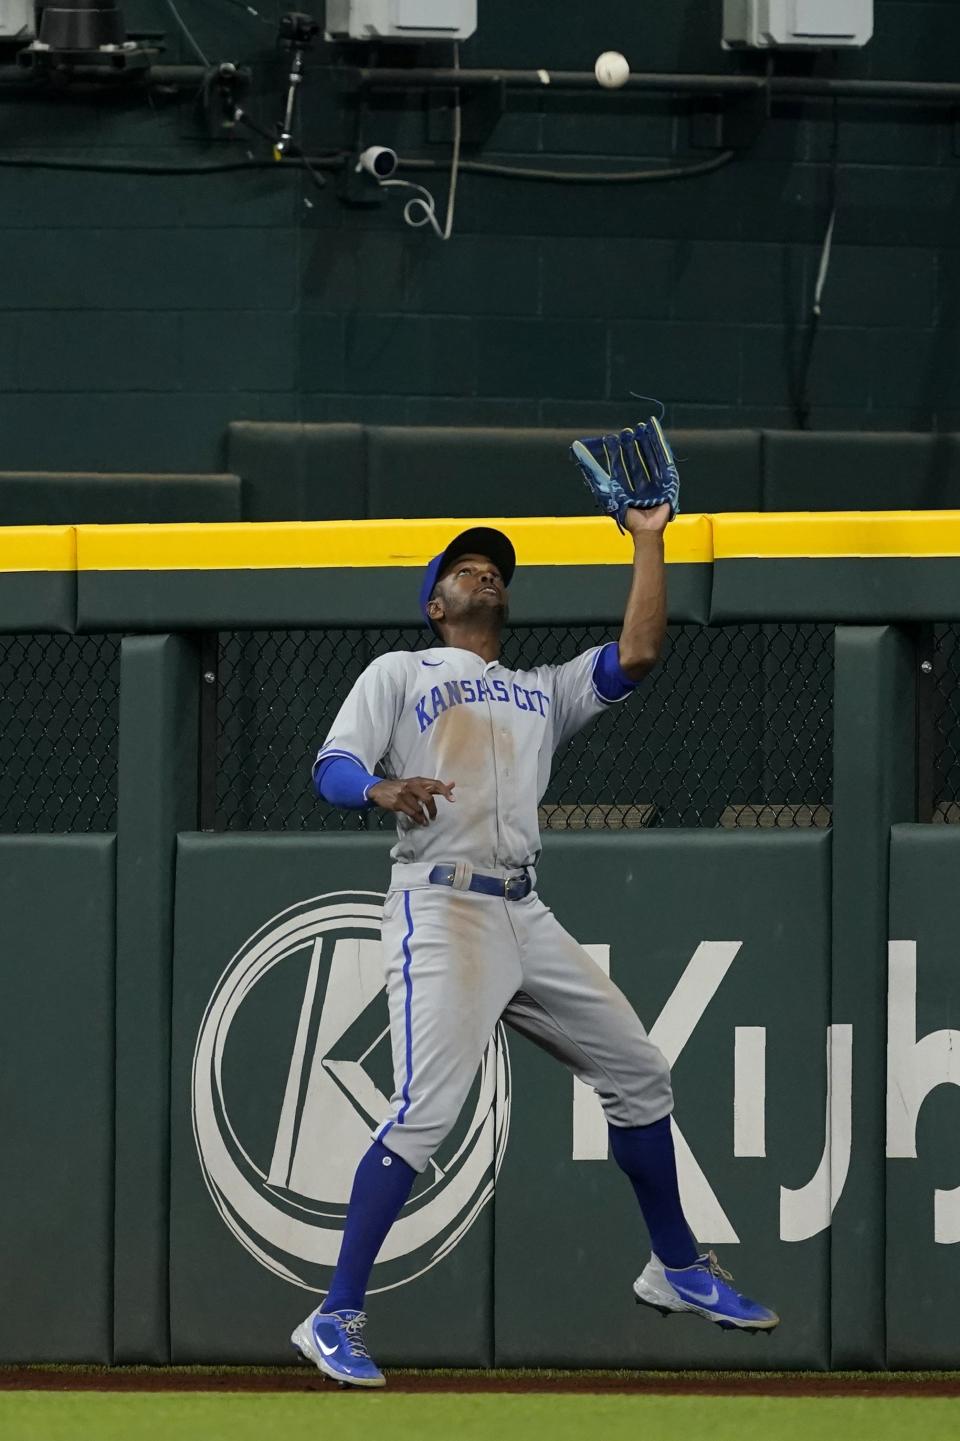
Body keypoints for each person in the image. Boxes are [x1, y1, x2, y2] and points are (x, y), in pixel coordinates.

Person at [292, 465, 777, 1388]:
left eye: (494, 568)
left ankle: (676, 1268)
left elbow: (636, 656)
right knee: (425, 1111)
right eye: (465, 568)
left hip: (524, 907)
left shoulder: (538, 689)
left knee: (639, 1073)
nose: (485, 574)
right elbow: (331, 764)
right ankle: (333, 1314)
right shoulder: (401, 671)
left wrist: (647, 536)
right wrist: (381, 786)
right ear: (434, 603)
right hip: (439, 903)